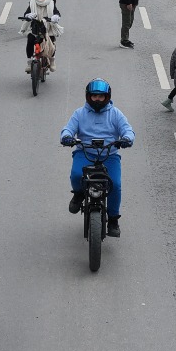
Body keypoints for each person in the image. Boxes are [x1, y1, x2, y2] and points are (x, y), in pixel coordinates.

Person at [60, 80, 135, 238]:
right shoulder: (79, 113)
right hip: (85, 153)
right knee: (75, 174)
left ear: (107, 97)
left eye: (101, 97)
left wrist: (127, 139)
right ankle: (79, 194)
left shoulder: (115, 114)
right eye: (94, 96)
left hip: (110, 155)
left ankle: (113, 219)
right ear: (88, 96)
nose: (97, 100)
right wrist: (66, 137)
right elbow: (68, 129)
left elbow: (127, 130)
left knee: (116, 184)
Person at [19, 0, 61, 69]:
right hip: (35, 27)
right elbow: (26, 13)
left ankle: (52, 61)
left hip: (48, 27)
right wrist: (29, 15)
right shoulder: (32, 2)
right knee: (30, 41)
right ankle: (29, 62)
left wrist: (55, 17)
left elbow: (57, 13)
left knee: (51, 43)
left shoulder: (51, 3)